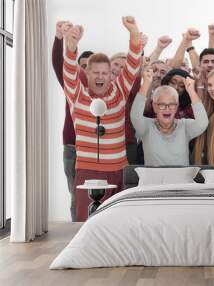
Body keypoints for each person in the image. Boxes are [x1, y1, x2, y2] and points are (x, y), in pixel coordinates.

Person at [62, 16, 142, 221]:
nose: (100, 77)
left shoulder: (119, 91)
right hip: (88, 172)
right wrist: (71, 46)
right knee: (86, 223)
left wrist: (133, 33)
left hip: (119, 170)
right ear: (86, 74)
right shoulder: (77, 95)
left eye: (105, 73)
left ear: (110, 75)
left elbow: (132, 65)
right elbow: (69, 71)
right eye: (95, 72)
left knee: (117, 223)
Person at [52, 21, 93, 221]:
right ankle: (76, 236)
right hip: (72, 147)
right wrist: (60, 38)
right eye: (82, 66)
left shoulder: (105, 89)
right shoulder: (71, 85)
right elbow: (58, 64)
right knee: (76, 197)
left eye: (90, 67)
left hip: (95, 149)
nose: (85, 70)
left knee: (97, 196)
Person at [131, 69, 208, 166]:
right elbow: (135, 115)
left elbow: (202, 123)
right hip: (153, 180)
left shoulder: (184, 126)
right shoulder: (146, 126)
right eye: (162, 105)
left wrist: (191, 91)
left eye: (171, 105)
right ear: (154, 106)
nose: (167, 109)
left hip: (181, 180)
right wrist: (146, 83)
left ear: (176, 106)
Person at [109, 52, 143, 165]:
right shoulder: (95, 87)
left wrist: (139, 49)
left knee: (128, 181)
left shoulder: (129, 88)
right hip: (103, 145)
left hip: (126, 145)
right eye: (116, 64)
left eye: (123, 67)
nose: (118, 69)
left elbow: (137, 76)